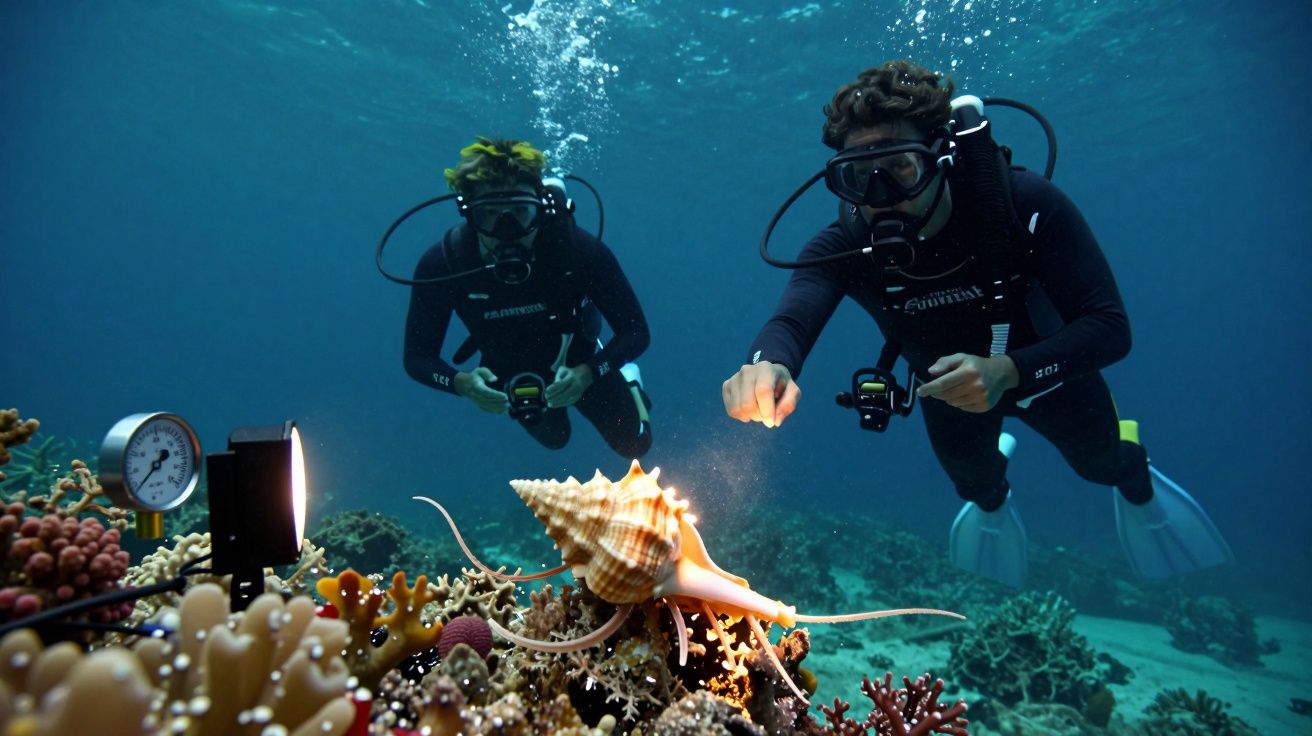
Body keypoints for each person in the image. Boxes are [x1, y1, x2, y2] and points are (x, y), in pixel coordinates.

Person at [721, 60, 1231, 586]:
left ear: (940, 158)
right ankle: (995, 485)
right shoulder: (845, 245)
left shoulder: (1024, 205)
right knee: (975, 486)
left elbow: (1108, 327)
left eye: (900, 167)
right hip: (948, 395)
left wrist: (1006, 372)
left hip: (1048, 379)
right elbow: (793, 317)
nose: (880, 195)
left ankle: (1137, 477)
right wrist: (766, 364)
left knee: (1104, 468)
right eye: (857, 176)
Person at [404, 137, 653, 459]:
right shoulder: (444, 263)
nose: (507, 229)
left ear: (541, 207)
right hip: (509, 368)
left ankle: (630, 380)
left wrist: (589, 373)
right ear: (468, 214)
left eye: (521, 212)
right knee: (555, 439)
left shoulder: (578, 250)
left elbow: (636, 332)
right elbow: (417, 357)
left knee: (636, 445)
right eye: (489, 214)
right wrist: (462, 383)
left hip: (583, 359)